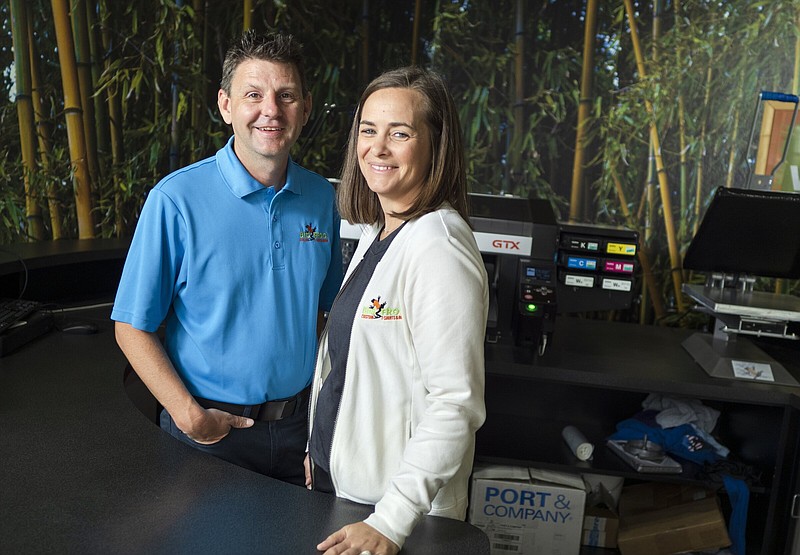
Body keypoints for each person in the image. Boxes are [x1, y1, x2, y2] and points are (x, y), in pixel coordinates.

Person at [111, 30, 342, 486]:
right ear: (225, 105)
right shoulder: (176, 200)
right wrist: (191, 418)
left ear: (306, 108)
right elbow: (131, 326)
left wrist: (318, 416)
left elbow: (322, 313)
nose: (271, 110)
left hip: (300, 430)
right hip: (209, 435)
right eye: (253, 94)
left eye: (286, 95)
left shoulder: (322, 199)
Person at [306, 66, 489, 555]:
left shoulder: (439, 247)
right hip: (345, 495)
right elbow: (345, 364)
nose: (378, 148)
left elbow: (455, 404)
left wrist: (391, 520)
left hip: (397, 519)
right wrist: (318, 450)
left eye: (400, 133)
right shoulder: (377, 232)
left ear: (436, 144)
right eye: (368, 130)